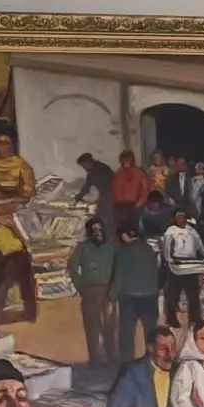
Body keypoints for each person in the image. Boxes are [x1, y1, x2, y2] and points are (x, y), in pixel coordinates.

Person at [108, 325, 190, 407]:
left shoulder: (182, 372)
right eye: (163, 349)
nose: (170, 355)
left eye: (172, 348)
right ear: (150, 348)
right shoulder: (134, 373)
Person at [69, 218, 120, 367]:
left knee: (109, 327)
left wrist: (114, 291)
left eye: (99, 229)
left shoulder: (112, 248)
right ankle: (96, 360)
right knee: (92, 328)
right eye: (93, 230)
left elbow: (119, 271)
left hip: (108, 291)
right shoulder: (83, 248)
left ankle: (112, 359)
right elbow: (72, 267)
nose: (97, 233)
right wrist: (81, 287)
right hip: (90, 292)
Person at [110, 222, 163, 361]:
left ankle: (127, 363)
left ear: (124, 235)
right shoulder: (149, 250)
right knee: (151, 333)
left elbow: (118, 276)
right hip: (150, 296)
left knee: (127, 333)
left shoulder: (124, 251)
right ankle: (152, 361)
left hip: (130, 297)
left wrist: (112, 296)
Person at [160, 208, 204, 328]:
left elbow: (199, 245)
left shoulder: (192, 231)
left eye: (183, 216)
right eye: (179, 216)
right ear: (175, 218)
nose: (181, 219)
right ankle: (171, 319)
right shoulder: (170, 231)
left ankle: (195, 320)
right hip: (176, 267)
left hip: (190, 266)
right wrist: (170, 261)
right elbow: (167, 250)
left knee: (193, 296)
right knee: (172, 296)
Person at [72, 151, 116, 234]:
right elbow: (87, 187)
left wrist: (79, 197)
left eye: (83, 165)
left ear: (87, 162)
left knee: (107, 217)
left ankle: (110, 235)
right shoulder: (92, 171)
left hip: (110, 195)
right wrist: (78, 197)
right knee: (99, 217)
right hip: (104, 196)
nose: (84, 168)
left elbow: (109, 184)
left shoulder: (101, 169)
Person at [112, 149, 152, 230]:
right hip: (119, 206)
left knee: (133, 229)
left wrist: (138, 204)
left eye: (128, 159)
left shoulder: (139, 173)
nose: (125, 162)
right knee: (121, 229)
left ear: (132, 159)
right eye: (123, 159)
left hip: (133, 205)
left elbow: (145, 191)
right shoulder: (118, 173)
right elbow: (113, 191)